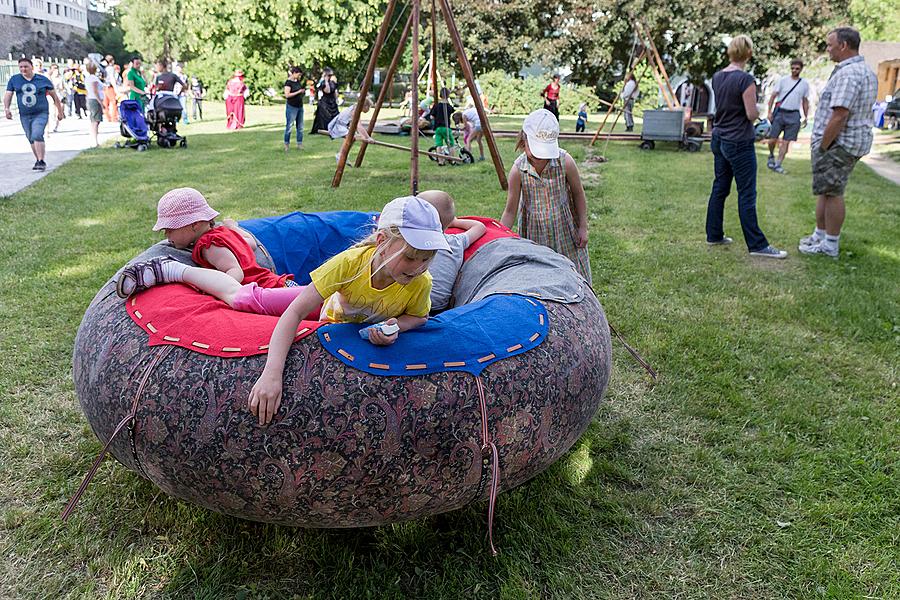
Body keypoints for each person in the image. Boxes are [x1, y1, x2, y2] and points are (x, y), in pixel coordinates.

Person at [116, 195, 449, 425]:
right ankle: (172, 270)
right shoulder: (349, 265)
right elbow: (294, 313)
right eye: (410, 256)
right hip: (314, 303)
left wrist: (396, 327)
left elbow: (419, 316)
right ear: (381, 241)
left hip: (336, 318)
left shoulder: (420, 282)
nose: (417, 267)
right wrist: (271, 374)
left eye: (426, 259)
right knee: (243, 300)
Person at [116, 188, 294, 298]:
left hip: (271, 291)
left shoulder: (209, 245)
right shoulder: (224, 233)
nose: (166, 233)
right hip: (280, 284)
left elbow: (236, 272)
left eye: (171, 228)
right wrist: (234, 227)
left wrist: (212, 292)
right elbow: (251, 244)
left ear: (194, 224)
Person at [705, 35, 787, 259]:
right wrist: (760, 116)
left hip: (719, 138)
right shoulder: (745, 80)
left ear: (731, 52)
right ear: (748, 53)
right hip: (739, 141)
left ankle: (714, 234)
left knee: (720, 188)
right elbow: (751, 114)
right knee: (747, 193)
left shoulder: (717, 76)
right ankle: (757, 245)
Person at [799, 27, 878, 258]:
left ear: (843, 45)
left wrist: (824, 145)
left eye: (830, 44)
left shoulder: (849, 74)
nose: (828, 49)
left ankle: (830, 244)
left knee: (833, 192)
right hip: (847, 141)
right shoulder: (864, 71)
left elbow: (840, 114)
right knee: (826, 189)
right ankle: (820, 235)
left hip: (839, 143)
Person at [500, 109, 592, 283]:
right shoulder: (518, 169)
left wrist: (583, 226)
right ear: (523, 139)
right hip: (535, 235)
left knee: (573, 276)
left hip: (565, 232)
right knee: (539, 278)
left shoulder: (565, 162)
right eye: (535, 152)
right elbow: (510, 211)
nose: (539, 158)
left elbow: (578, 194)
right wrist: (499, 237)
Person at [417, 190, 487, 312]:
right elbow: (479, 227)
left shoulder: (411, 243)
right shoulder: (455, 242)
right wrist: (456, 222)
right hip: (439, 307)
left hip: (411, 305)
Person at [4, 58, 64, 171]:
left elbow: (54, 97)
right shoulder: (15, 80)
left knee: (37, 134)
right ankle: (38, 160)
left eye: (26, 66)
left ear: (32, 67)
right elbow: (8, 95)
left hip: (41, 112)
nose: (23, 69)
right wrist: (7, 108)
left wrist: (60, 112)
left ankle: (41, 160)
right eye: (21, 67)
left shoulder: (42, 80)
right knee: (30, 137)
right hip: (25, 114)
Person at [765, 59, 810, 174]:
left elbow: (805, 101)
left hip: (794, 114)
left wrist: (806, 116)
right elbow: (773, 97)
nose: (795, 71)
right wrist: (769, 112)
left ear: (801, 69)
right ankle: (771, 156)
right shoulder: (783, 80)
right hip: (780, 112)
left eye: (797, 69)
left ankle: (778, 164)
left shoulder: (804, 84)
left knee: (786, 141)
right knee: (772, 139)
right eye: (793, 68)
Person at [328, 97, 374, 162]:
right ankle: (341, 155)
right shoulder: (355, 111)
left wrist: (364, 136)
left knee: (353, 137)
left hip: (343, 126)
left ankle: (343, 154)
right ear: (364, 106)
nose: (369, 109)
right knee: (351, 137)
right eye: (368, 107)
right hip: (338, 127)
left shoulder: (356, 108)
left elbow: (354, 125)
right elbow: (359, 126)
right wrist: (368, 137)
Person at [430, 88, 456, 164]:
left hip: (438, 128)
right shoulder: (449, 107)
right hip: (446, 127)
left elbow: (431, 116)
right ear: (448, 96)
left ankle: (440, 161)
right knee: (450, 144)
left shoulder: (436, 106)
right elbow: (453, 112)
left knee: (439, 145)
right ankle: (452, 160)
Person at [311, 67, 339, 134]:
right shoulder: (323, 83)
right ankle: (324, 129)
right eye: (329, 75)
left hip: (332, 102)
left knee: (335, 116)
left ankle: (334, 129)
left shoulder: (333, 83)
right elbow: (328, 91)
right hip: (325, 102)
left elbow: (335, 92)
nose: (330, 77)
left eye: (331, 75)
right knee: (325, 116)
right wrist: (326, 81)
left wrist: (336, 99)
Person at [283, 66, 305, 151]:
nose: (299, 77)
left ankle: (299, 144)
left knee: (300, 127)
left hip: (300, 106)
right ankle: (286, 144)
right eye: (298, 75)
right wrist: (298, 92)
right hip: (292, 107)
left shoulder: (297, 82)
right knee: (289, 126)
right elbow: (287, 95)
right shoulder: (288, 83)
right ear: (294, 73)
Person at [84, 62, 104, 147]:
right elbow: (95, 91)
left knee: (94, 119)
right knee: (96, 120)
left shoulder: (88, 78)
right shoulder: (94, 79)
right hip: (95, 100)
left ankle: (94, 139)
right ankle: (95, 141)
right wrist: (100, 102)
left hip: (90, 98)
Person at [48, 63, 64, 132]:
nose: (55, 70)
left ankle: (56, 126)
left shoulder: (60, 78)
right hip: (50, 95)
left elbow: (62, 87)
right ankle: (51, 124)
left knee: (58, 110)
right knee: (52, 110)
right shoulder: (49, 77)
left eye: (56, 68)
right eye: (54, 68)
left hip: (58, 94)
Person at [103, 57, 120, 122]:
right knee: (114, 102)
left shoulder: (104, 68)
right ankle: (114, 117)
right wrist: (115, 88)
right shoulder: (111, 68)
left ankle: (108, 117)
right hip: (110, 87)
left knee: (106, 103)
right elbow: (112, 78)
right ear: (112, 61)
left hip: (104, 87)